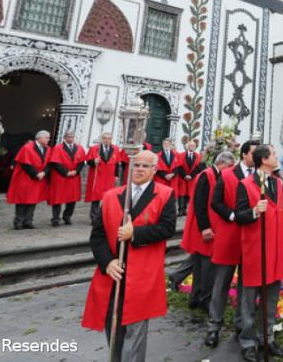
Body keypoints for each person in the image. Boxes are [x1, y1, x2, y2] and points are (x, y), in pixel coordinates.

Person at [81, 149, 177, 362]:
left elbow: (167, 228)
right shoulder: (111, 195)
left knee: (135, 330)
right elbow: (97, 236)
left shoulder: (165, 194)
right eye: (136, 165)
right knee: (113, 327)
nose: (139, 169)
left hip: (142, 273)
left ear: (154, 169)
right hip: (114, 273)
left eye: (145, 165)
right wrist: (107, 262)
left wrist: (136, 233)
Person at [233, 144, 283, 361]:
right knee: (248, 300)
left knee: (271, 298)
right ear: (264, 160)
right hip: (255, 251)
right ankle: (247, 341)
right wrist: (254, 211)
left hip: (275, 251)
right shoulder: (245, 185)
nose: (277, 157)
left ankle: (267, 337)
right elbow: (239, 215)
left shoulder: (278, 183)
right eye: (274, 154)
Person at [204, 140, 260, 348]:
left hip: (250, 237)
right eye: (254, 153)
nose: (257, 156)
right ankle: (213, 327)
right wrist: (232, 215)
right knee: (221, 283)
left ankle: (242, 324)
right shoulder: (227, 174)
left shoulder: (259, 176)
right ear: (244, 154)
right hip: (230, 234)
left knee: (247, 285)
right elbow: (215, 202)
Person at [171, 151, 235, 310]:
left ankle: (196, 298)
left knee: (200, 265)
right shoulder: (206, 176)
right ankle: (203, 299)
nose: (231, 169)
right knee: (206, 267)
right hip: (204, 228)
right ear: (222, 164)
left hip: (209, 227)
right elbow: (199, 204)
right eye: (230, 166)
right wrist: (205, 227)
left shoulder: (216, 175)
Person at [7, 130, 50, 230]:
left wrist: (44, 172)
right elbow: (25, 164)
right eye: (47, 137)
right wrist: (36, 174)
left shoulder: (48, 149)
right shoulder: (27, 147)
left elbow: (49, 163)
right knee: (22, 200)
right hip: (26, 177)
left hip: (39, 178)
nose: (48, 139)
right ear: (39, 138)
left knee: (33, 200)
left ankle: (28, 221)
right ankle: (18, 221)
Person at [84, 132, 126, 223]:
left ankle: (104, 216)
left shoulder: (115, 149)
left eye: (109, 138)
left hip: (109, 177)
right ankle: (94, 217)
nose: (107, 140)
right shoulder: (95, 148)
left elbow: (117, 164)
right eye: (105, 138)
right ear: (102, 139)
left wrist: (116, 175)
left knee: (108, 197)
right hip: (98, 175)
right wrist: (94, 161)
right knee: (96, 197)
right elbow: (88, 161)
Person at [46, 130, 85, 226]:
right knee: (57, 198)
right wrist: (66, 172)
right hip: (61, 177)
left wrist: (76, 171)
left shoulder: (79, 148)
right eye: (68, 137)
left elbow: (81, 162)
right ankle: (55, 219)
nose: (70, 138)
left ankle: (67, 217)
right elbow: (55, 163)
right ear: (65, 137)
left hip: (74, 177)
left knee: (72, 199)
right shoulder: (58, 148)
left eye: (72, 137)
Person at [177, 139, 204, 217]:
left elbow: (198, 167)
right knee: (182, 193)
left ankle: (185, 209)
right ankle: (180, 210)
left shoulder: (198, 156)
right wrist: (185, 175)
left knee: (189, 193)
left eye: (193, 146)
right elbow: (180, 166)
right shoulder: (181, 155)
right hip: (183, 178)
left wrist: (191, 176)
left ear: (195, 147)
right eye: (190, 145)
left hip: (192, 178)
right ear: (187, 146)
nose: (192, 147)